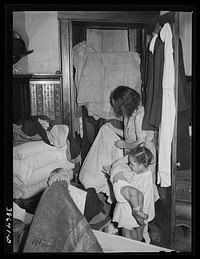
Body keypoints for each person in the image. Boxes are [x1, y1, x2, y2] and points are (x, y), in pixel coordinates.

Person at [109, 144, 155, 241]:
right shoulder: (143, 172)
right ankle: (139, 240)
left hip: (138, 207)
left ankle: (133, 244)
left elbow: (135, 193)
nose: (129, 165)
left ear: (141, 165)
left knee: (128, 228)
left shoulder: (144, 178)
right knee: (138, 226)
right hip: (142, 207)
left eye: (131, 164)